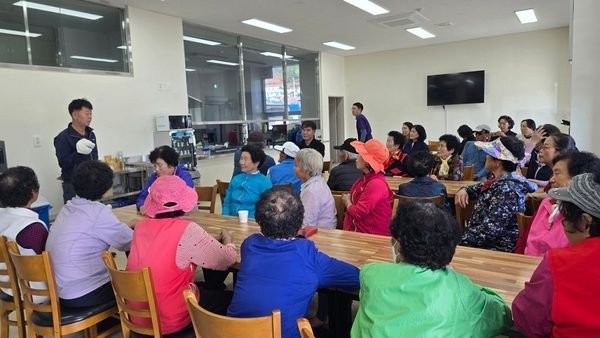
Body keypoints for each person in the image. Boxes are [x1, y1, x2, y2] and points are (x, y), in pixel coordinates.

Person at [351, 201, 512, 337]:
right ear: (451, 247)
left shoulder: (371, 273)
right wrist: (457, 278)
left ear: (398, 243)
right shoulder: (460, 289)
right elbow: (502, 316)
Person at [227, 187, 359, 338]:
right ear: (300, 222)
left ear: (258, 219)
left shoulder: (249, 245)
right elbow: (355, 277)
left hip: (230, 332)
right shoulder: (307, 254)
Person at [127, 175, 236, 334]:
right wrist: (228, 239)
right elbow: (225, 260)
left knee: (206, 290)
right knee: (232, 299)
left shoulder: (140, 227)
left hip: (138, 315)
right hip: (172, 319)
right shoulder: (187, 230)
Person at [512, 172, 600, 337]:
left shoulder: (559, 263)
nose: (564, 227)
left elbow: (529, 321)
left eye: (565, 219)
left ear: (585, 221)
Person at [46, 160, 133, 307]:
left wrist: (122, 227)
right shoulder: (98, 212)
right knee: (136, 284)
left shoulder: (68, 207)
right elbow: (129, 242)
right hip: (84, 293)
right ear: (106, 188)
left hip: (60, 292)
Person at [456, 137, 537, 252]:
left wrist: (458, 242)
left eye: (489, 154)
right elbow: (477, 188)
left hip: (496, 249)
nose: (486, 157)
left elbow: (490, 231)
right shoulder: (499, 181)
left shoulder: (507, 191)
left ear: (498, 161)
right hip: (482, 243)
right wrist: (464, 190)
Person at [515, 151, 600, 256]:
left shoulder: (581, 216)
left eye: (557, 173)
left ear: (578, 178)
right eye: (552, 173)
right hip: (528, 266)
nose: (551, 180)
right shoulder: (547, 203)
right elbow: (524, 240)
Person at [0, 166, 49, 302]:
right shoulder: (32, 229)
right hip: (35, 293)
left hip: (6, 285)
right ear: (34, 193)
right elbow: (50, 261)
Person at [342, 139, 393, 235]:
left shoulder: (376, 184)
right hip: (359, 231)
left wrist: (347, 202)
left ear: (367, 161)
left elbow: (358, 213)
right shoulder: (365, 178)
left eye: (360, 155)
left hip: (372, 236)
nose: (357, 158)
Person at [54, 98, 97, 203]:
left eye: (91, 114)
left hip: (92, 182)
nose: (90, 117)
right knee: (75, 215)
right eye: (86, 114)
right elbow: (64, 163)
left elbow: (95, 157)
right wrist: (78, 153)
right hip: (73, 185)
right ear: (75, 115)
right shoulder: (63, 137)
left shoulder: (91, 134)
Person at [136, 145, 194, 215]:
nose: (156, 169)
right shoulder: (154, 177)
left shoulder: (183, 176)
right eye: (154, 165)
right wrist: (142, 206)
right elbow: (143, 196)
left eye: (160, 165)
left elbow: (185, 199)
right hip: (161, 217)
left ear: (171, 164)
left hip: (185, 216)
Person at [222, 144, 273, 218]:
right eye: (241, 158)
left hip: (253, 222)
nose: (241, 162)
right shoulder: (236, 179)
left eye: (245, 159)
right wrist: (225, 218)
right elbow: (227, 203)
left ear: (256, 163)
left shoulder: (264, 182)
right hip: (231, 221)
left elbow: (266, 209)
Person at [294, 148, 337, 229]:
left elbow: (307, 223)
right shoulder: (318, 181)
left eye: (296, 165)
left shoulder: (312, 190)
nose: (294, 168)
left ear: (306, 169)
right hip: (324, 228)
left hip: (322, 233)